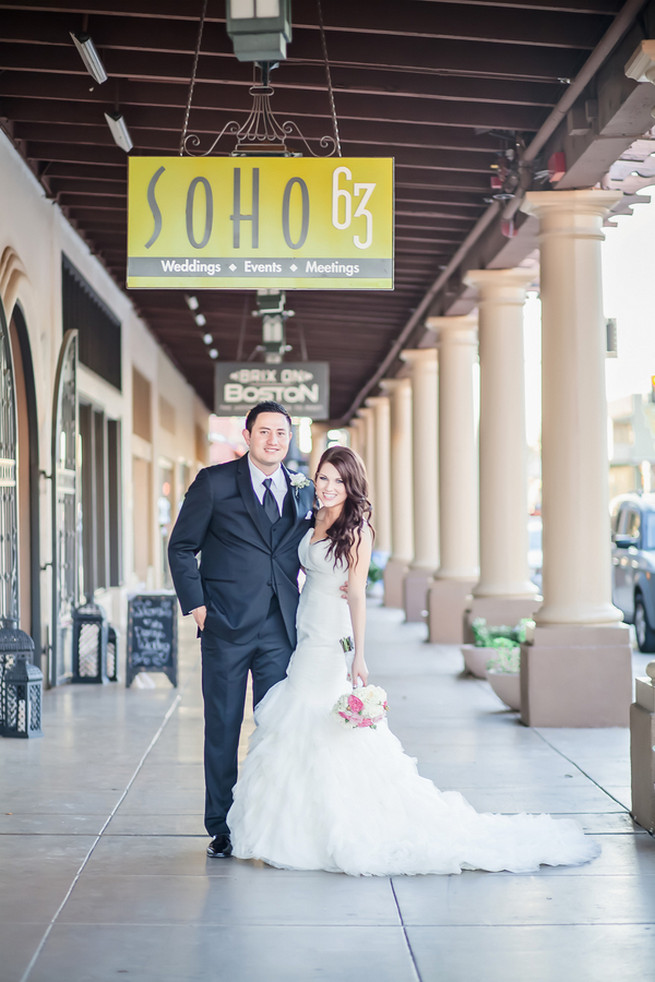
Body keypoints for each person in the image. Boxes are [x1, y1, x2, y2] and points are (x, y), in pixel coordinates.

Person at [227, 445, 600, 876]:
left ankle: (340, 824)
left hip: (331, 638)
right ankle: (294, 824)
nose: (329, 488)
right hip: (305, 628)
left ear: (352, 486)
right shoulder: (311, 519)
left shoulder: (358, 529)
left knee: (323, 721)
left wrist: (358, 656)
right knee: (300, 720)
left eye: (338, 481)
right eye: (323, 478)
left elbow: (358, 596)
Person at [167, 401, 316, 860]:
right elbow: (181, 547)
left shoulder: (302, 488)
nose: (274, 441)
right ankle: (222, 826)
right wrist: (199, 609)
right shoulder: (214, 483)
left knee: (273, 727)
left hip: (279, 628)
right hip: (225, 625)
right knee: (224, 727)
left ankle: (267, 820)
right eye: (265, 432)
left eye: (282, 434)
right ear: (248, 435)